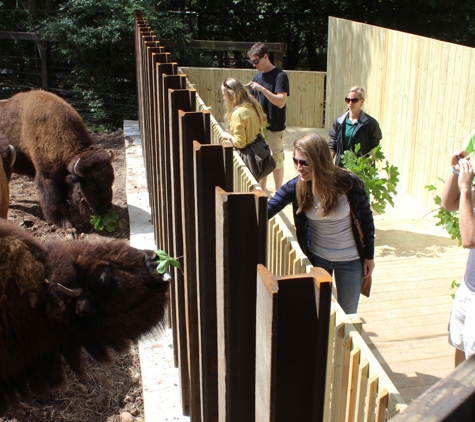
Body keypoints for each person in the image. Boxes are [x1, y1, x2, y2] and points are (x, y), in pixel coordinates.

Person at [267, 133, 375, 314]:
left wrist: (369, 256)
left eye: (304, 162)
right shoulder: (297, 186)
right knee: (317, 310)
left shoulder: (349, 183)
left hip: (350, 260)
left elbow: (367, 220)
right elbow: (268, 209)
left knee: (348, 312)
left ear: (319, 161)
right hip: (318, 258)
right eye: (295, 161)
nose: (298, 167)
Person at [441, 150, 475, 366]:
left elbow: (470, 239)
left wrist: (465, 189)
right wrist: (455, 170)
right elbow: (449, 203)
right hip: (468, 286)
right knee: (460, 344)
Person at [246, 42, 290, 191]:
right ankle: (262, 192)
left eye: (256, 61)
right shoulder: (257, 77)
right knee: (262, 160)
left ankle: (279, 193)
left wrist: (262, 89)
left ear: (266, 56)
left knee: (276, 161)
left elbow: (281, 102)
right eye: (252, 62)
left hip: (275, 127)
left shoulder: (280, 76)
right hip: (259, 128)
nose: (254, 65)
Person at [220, 77, 268, 176]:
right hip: (257, 153)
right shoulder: (253, 105)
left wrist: (227, 136)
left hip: (247, 160)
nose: (224, 98)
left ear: (231, 95)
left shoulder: (238, 113)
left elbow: (240, 143)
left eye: (224, 95)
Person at [328, 86, 382, 167]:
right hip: (342, 168)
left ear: (362, 101)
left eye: (354, 100)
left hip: (361, 169)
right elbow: (333, 145)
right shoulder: (339, 122)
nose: (350, 103)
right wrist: (327, 163)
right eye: (348, 100)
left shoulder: (370, 123)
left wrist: (368, 163)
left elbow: (374, 147)